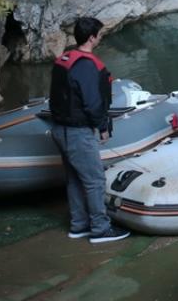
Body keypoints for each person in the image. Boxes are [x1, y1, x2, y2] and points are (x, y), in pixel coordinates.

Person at [48, 16, 130, 243]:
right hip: (78, 131)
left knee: (74, 179)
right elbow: (92, 103)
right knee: (95, 180)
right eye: (100, 35)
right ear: (92, 38)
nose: (100, 38)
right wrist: (102, 127)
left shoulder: (64, 59)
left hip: (59, 129)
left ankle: (79, 225)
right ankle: (100, 229)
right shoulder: (86, 65)